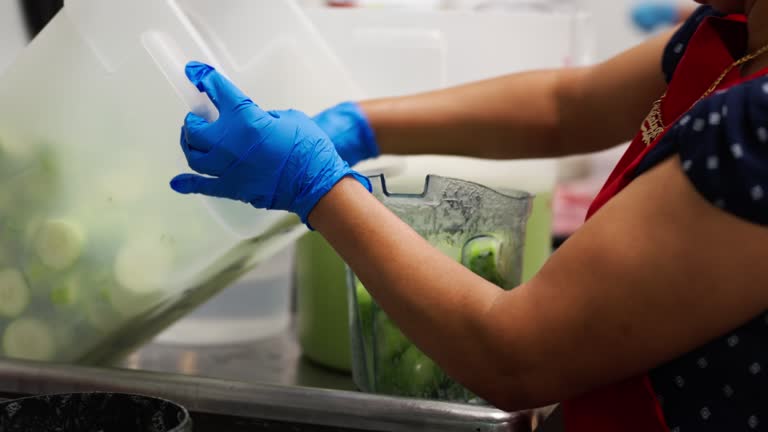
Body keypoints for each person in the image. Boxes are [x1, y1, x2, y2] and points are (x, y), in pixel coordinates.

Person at [169, 1, 768, 430]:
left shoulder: (756, 132)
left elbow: (518, 354)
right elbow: (567, 106)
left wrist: (316, 185)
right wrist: (362, 123)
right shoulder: (733, 27)